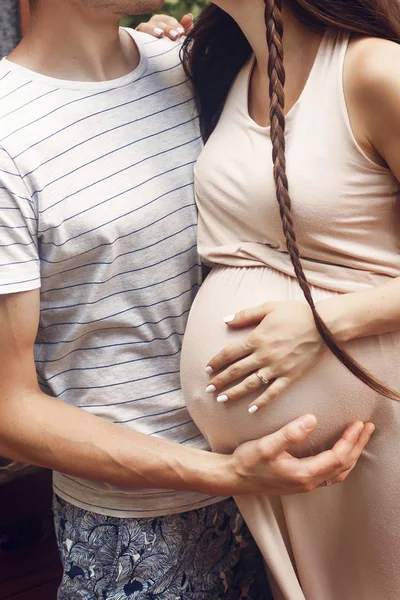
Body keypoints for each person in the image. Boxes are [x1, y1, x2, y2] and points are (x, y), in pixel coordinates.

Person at [0, 0, 374, 598]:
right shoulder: (7, 132)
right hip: (141, 525)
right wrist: (221, 473)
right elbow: (7, 408)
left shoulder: (190, 64)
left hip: (292, 489)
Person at [177, 0, 400, 598]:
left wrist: (322, 325)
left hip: (382, 436)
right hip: (283, 478)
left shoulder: (374, 71)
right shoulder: (229, 70)